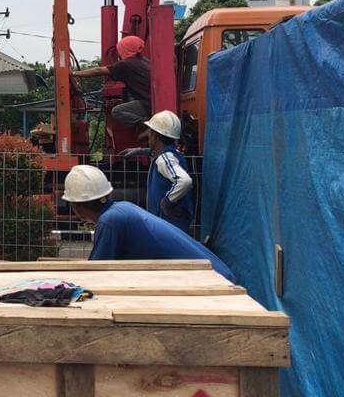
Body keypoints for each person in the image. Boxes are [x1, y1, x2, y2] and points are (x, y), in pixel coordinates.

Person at [61, 165, 234, 282]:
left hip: (215, 283)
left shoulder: (110, 221)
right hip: (216, 276)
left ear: (76, 206)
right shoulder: (121, 209)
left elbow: (96, 275)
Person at [118, 110, 194, 234]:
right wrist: (140, 151)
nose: (148, 135)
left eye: (150, 132)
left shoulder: (164, 159)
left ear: (155, 135)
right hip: (172, 225)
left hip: (169, 226)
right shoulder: (172, 154)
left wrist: (166, 203)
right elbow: (162, 154)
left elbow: (184, 181)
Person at [71, 35, 151, 127]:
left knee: (117, 111)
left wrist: (74, 73)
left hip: (147, 104)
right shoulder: (145, 61)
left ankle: (147, 126)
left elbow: (99, 71)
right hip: (152, 102)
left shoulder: (125, 64)